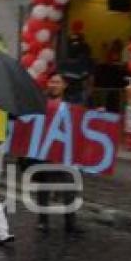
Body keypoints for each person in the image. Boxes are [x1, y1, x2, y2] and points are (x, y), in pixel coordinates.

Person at [31, 73, 83, 236]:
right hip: (44, 151)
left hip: (64, 152)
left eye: (57, 82)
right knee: (43, 187)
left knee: (70, 186)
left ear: (64, 85)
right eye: (51, 81)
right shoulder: (39, 102)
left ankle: (70, 223)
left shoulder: (72, 103)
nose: (53, 84)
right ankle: (43, 221)